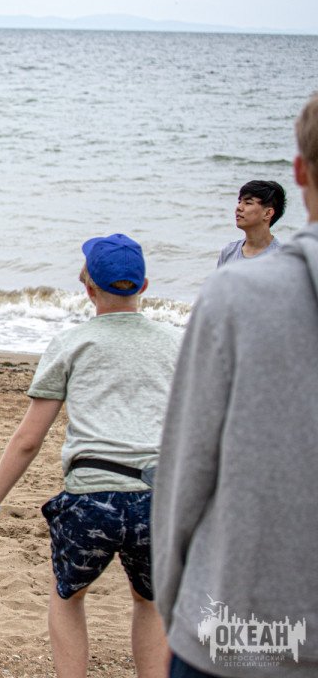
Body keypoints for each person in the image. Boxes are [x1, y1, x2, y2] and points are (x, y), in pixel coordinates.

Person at [0, 234, 181, 678]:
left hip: (89, 500)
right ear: (144, 286)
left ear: (88, 289)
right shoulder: (177, 344)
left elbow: (28, 439)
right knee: (151, 601)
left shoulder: (71, 344)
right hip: (155, 500)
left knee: (68, 597)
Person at [154, 96, 318, 677]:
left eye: (252, 200)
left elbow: (188, 465)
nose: (241, 208)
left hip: (245, 626)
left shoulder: (246, 288)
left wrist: (176, 604)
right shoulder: (230, 262)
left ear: (298, 179)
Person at [215, 179, 286, 267]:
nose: (239, 208)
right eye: (239, 202)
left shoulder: (282, 258)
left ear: (268, 213)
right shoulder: (229, 252)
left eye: (248, 203)